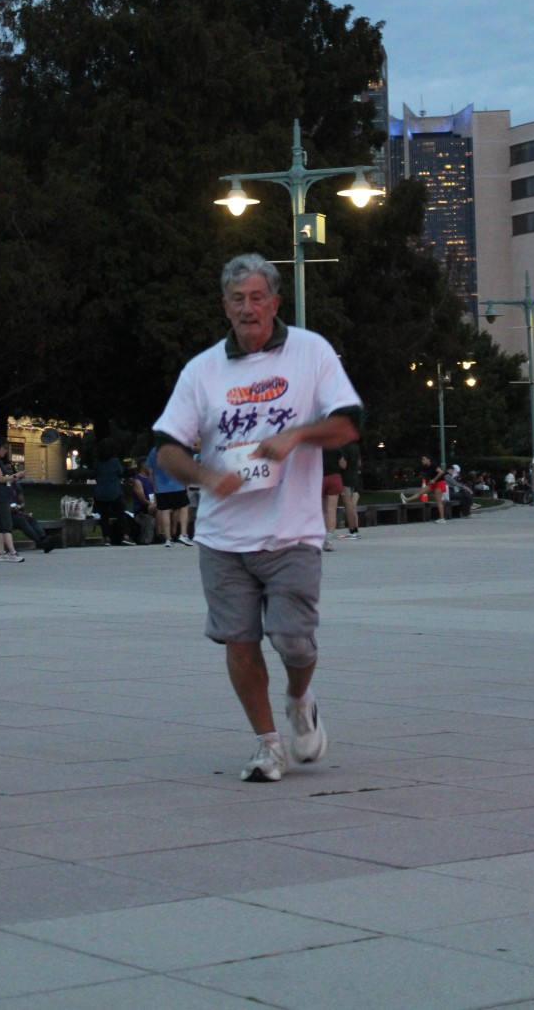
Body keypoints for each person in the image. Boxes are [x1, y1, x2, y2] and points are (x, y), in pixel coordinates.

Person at [154, 253, 361, 784]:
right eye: (237, 299)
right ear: (225, 307)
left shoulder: (310, 352)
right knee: (239, 641)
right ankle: (268, 745)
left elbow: (347, 425)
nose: (248, 308)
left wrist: (297, 435)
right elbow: (167, 448)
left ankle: (300, 699)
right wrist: (205, 475)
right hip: (223, 537)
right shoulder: (202, 370)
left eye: (256, 297)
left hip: (292, 531)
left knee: (294, 640)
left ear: (274, 302)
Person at [146, 442, 194, 547]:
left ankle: (168, 538)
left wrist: (154, 485)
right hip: (177, 484)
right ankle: (183, 534)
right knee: (184, 507)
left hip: (161, 487)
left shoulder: (154, 450)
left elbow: (150, 471)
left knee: (165, 511)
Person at [0, 439, 27, 563]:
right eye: (4, 448)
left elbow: (5, 479)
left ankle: (1, 553)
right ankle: (12, 552)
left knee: (0, 526)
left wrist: (15, 478)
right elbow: (0, 478)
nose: (5, 451)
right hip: (0, 497)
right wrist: (16, 475)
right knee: (7, 526)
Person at [92, 439, 128, 546]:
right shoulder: (115, 461)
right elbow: (121, 472)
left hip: (101, 493)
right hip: (114, 491)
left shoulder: (97, 462)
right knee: (121, 514)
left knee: (104, 516)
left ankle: (106, 538)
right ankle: (125, 535)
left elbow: (94, 474)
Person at [402, 454, 447, 522]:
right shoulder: (426, 467)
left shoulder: (433, 465)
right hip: (433, 483)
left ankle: (442, 518)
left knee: (438, 500)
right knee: (420, 492)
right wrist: (430, 481)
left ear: (428, 460)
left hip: (440, 482)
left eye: (424, 459)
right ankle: (407, 500)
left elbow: (441, 472)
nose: (422, 461)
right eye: (422, 459)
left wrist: (434, 480)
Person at [337, 439, 361, 540]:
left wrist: (337, 459)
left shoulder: (344, 448)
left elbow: (343, 465)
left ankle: (352, 531)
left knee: (348, 505)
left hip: (345, 478)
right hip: (353, 477)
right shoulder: (355, 446)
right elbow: (359, 463)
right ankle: (355, 530)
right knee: (350, 504)